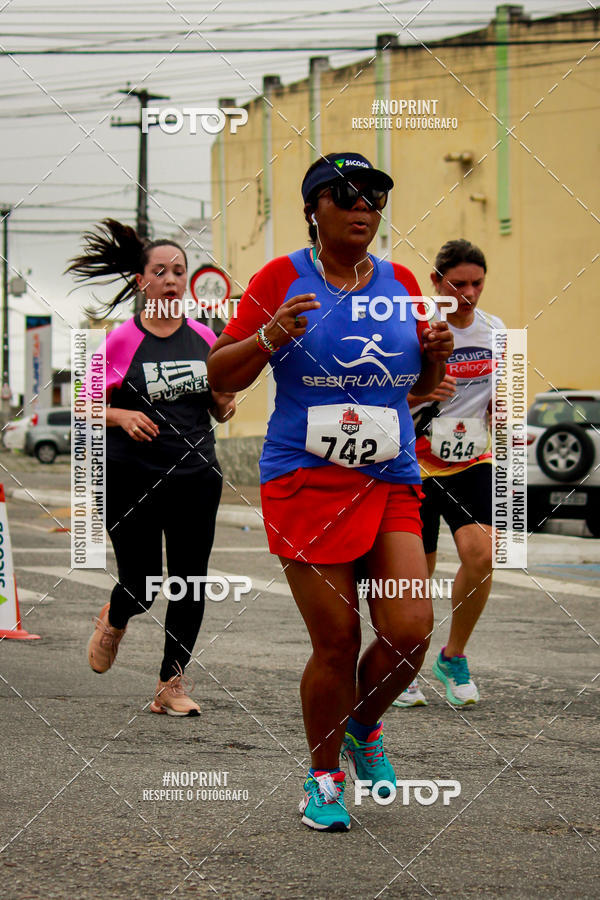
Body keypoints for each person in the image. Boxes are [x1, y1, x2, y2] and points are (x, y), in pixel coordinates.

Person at [207, 153, 453, 831]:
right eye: (345, 195)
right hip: (305, 479)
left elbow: (419, 385)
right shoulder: (281, 277)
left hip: (389, 474)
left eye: (374, 196)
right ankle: (322, 779)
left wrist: (434, 356)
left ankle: (363, 726)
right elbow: (218, 372)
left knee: (408, 632)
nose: (363, 207)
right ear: (314, 208)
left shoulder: (401, 281)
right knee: (339, 639)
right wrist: (267, 333)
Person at [67, 219, 235, 716]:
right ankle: (115, 619)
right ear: (142, 282)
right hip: (131, 478)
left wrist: (226, 403)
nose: (170, 278)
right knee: (140, 585)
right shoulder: (122, 340)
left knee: (189, 581)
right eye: (159, 271)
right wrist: (119, 414)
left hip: (196, 477)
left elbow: (220, 403)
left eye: (178, 271)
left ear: (186, 280)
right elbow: (84, 403)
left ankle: (171, 685)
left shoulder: (207, 336)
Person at [394, 239, 503, 709]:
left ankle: (453, 656)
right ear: (436, 283)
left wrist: (504, 416)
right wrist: (420, 394)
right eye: (458, 284)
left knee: (482, 554)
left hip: (469, 460)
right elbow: (386, 397)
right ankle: (404, 664)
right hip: (413, 462)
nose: (469, 293)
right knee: (418, 573)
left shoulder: (495, 331)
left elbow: (503, 395)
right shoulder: (417, 332)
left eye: (477, 283)